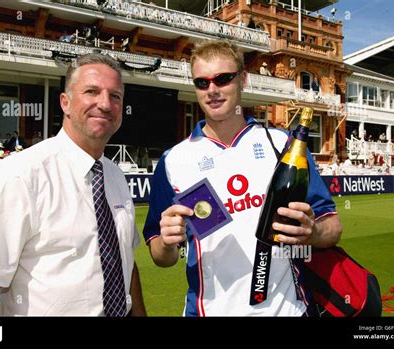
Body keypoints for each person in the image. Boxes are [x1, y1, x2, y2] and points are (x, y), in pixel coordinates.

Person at [143, 40, 342, 316]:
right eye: (202, 83)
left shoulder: (284, 145)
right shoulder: (174, 160)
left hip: (289, 311)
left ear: (243, 79)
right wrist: (166, 242)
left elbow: (331, 225)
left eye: (223, 79)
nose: (212, 90)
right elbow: (160, 256)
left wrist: (314, 232)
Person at [0, 53, 146, 316]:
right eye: (92, 91)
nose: (105, 104)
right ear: (65, 103)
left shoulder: (115, 177)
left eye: (115, 96)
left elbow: (125, 262)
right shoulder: (20, 175)